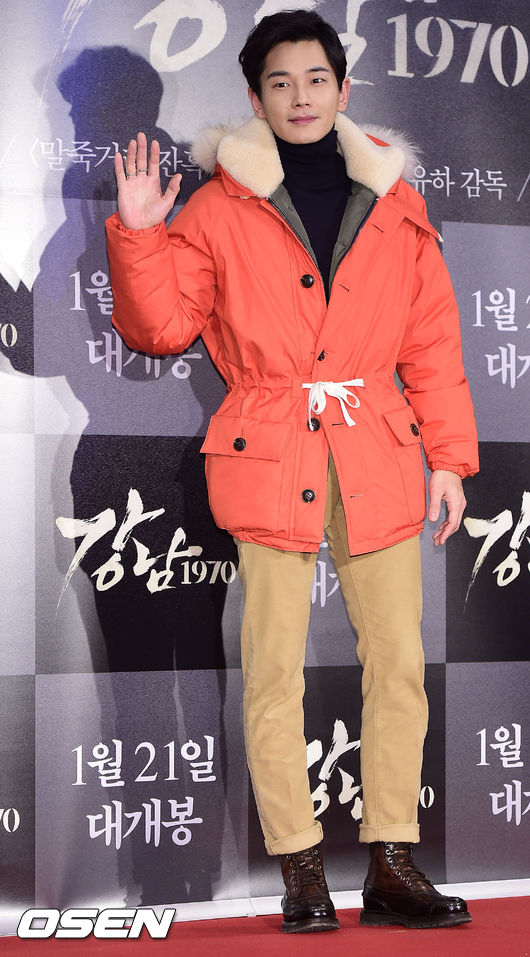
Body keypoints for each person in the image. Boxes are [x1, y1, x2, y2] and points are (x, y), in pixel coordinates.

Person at [106, 9, 478, 934]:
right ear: (256, 96)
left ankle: (393, 861)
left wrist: (449, 458)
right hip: (272, 449)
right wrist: (141, 237)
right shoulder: (216, 206)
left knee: (398, 665)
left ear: (343, 89)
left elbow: (432, 342)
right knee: (274, 670)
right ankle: (301, 867)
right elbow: (160, 329)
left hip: (378, 448)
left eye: (316, 79)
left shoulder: (395, 201)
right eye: (280, 82)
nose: (300, 97)